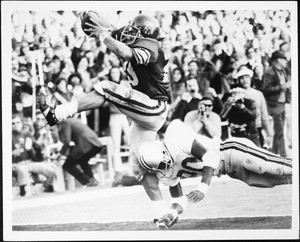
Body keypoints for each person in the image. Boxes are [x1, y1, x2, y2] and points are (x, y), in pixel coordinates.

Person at [38, 12, 170, 182]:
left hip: (154, 107)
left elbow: (124, 52)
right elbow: (113, 31)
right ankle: (161, 191)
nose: (128, 33)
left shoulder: (152, 48)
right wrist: (96, 21)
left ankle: (57, 113)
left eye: (134, 31)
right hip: (146, 112)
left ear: (144, 35)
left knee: (107, 88)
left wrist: (103, 35)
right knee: (141, 173)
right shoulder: (136, 40)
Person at [137, 119, 292, 229]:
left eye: (163, 162)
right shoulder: (164, 171)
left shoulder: (175, 135)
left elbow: (210, 157)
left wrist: (202, 189)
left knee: (280, 168)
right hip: (229, 171)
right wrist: (171, 214)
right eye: (160, 166)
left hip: (230, 152)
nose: (165, 166)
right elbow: (179, 199)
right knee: (275, 180)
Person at [12, 114, 56, 196]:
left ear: (21, 123)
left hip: (29, 162)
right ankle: (24, 193)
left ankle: (46, 189)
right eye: (13, 123)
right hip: (16, 164)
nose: (16, 125)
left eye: (17, 122)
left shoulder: (26, 134)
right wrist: (12, 153)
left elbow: (38, 148)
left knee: (51, 169)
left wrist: (39, 150)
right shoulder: (7, 136)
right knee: (22, 169)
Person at [58, 118, 104, 186]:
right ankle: (92, 180)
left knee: (67, 165)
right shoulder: (73, 120)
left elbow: (67, 142)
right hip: (95, 142)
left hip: (86, 143)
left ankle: (88, 181)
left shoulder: (65, 123)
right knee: (83, 161)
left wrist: (60, 153)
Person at [261, 50, 291, 157]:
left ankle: (273, 153)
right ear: (278, 60)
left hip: (281, 104)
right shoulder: (269, 73)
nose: (286, 62)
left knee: (279, 130)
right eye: (284, 59)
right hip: (273, 105)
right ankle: (284, 155)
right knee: (279, 132)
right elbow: (265, 89)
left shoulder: (283, 71)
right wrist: (282, 87)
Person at [236, 68, 273, 148]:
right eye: (242, 78)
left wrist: (268, 132)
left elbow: (264, 114)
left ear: (250, 79)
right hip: (242, 129)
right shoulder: (236, 94)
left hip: (257, 127)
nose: (244, 80)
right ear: (239, 81)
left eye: (246, 77)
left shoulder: (258, 94)